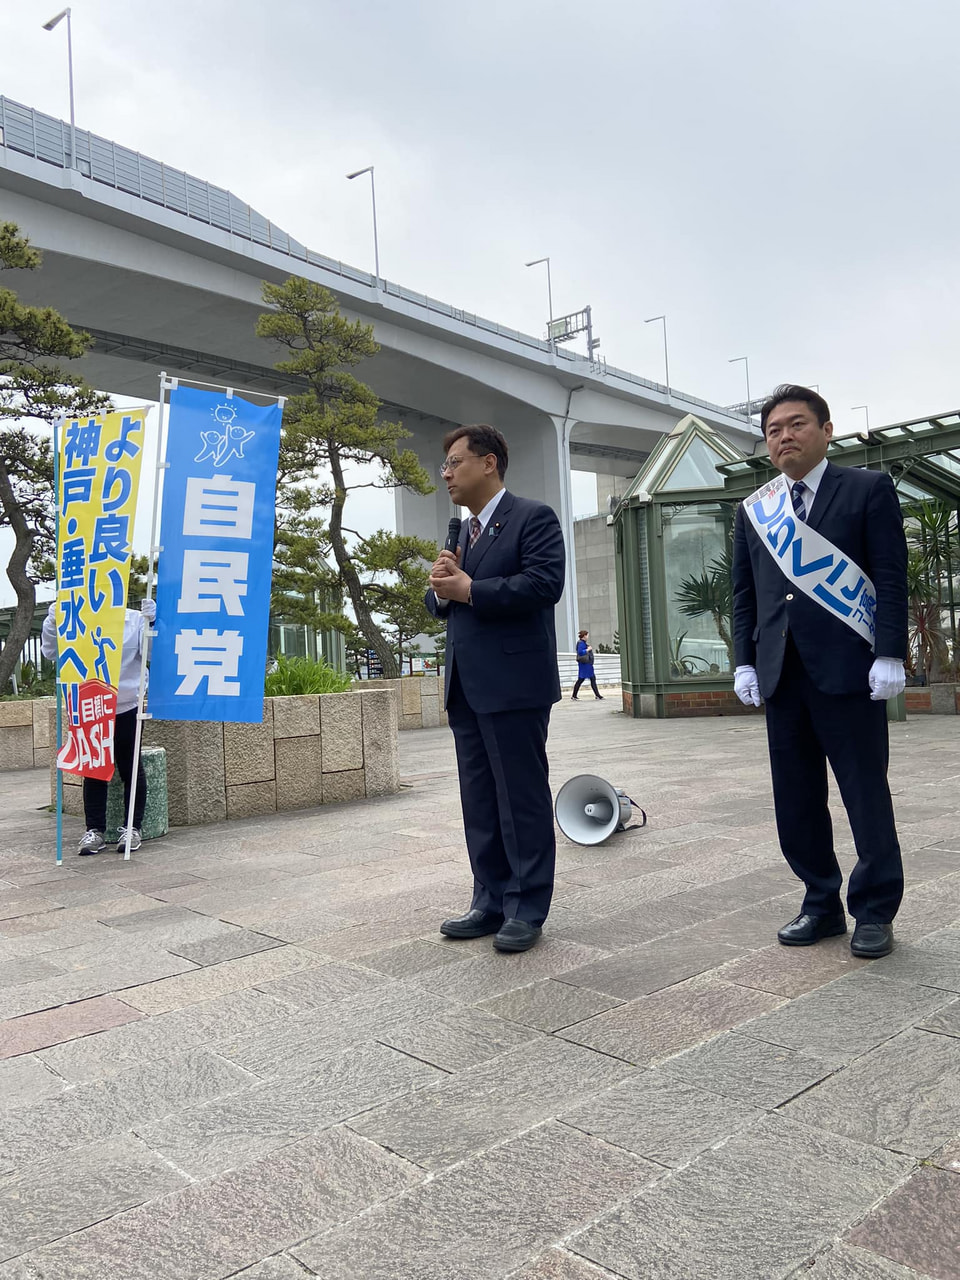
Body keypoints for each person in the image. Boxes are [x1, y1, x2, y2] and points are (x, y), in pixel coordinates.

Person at [732, 385, 908, 958]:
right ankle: (820, 903)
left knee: (864, 792)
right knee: (797, 798)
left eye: (797, 424)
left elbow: (889, 575)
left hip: (849, 671)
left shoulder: (866, 489)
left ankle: (875, 910)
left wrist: (889, 653)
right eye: (774, 429)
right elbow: (745, 595)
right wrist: (744, 662)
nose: (784, 435)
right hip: (783, 675)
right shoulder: (756, 510)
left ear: (826, 430)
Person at [427, 424, 566, 953]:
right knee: (480, 799)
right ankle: (488, 898)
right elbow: (446, 601)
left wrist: (469, 588)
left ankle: (526, 905)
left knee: (520, 799)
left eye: (455, 463)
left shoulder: (533, 517)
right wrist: (441, 591)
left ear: (489, 463)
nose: (447, 474)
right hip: (466, 685)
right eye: (444, 466)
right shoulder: (460, 533)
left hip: (515, 685)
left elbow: (543, 584)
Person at [42, 598, 156, 855]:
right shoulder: (76, 617)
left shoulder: (134, 619)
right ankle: (94, 830)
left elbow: (151, 655)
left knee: (131, 767)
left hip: (127, 704)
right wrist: (52, 620)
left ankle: (133, 828)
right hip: (90, 704)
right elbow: (51, 651)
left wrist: (152, 623)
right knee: (93, 768)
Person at [572, 629, 603, 700]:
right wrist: (588, 649)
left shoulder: (582, 643)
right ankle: (574, 695)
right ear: (584, 636)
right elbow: (580, 652)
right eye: (587, 635)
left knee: (589, 679)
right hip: (585, 664)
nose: (587, 637)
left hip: (586, 664)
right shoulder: (581, 643)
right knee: (582, 679)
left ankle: (597, 695)